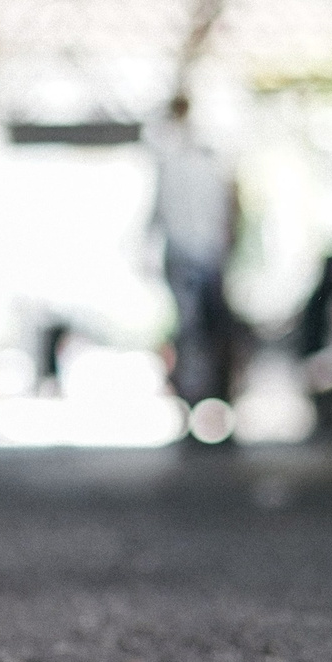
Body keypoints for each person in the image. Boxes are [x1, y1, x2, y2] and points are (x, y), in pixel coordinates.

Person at [150, 95, 239, 419]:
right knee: (202, 327)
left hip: (192, 254)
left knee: (194, 327)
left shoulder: (176, 159)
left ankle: (198, 391)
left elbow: (158, 213)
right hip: (201, 254)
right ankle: (203, 392)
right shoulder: (201, 159)